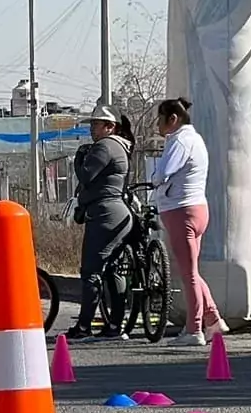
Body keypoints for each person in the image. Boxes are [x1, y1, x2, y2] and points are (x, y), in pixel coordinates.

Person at [150, 96, 225, 347]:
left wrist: (155, 179)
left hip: (181, 211)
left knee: (188, 274)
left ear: (173, 119)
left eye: (160, 120)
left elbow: (162, 172)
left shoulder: (180, 140)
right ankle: (213, 318)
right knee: (192, 270)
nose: (157, 125)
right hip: (197, 209)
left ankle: (194, 330)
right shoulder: (195, 139)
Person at [64, 104, 134, 342]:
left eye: (95, 124)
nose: (92, 129)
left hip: (105, 214)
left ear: (109, 127)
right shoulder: (120, 147)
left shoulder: (105, 146)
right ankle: (115, 325)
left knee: (91, 272)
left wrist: (79, 158)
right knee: (113, 268)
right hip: (118, 213)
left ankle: (83, 326)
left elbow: (86, 175)